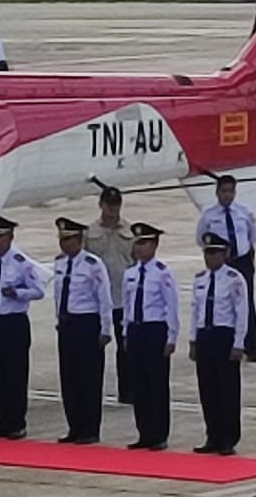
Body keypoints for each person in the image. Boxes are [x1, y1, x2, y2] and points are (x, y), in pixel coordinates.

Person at [0, 214, 44, 439]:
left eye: (1, 237)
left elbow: (38, 290)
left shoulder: (21, 263)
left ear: (10, 237)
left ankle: (16, 422)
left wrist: (18, 293)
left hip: (13, 322)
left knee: (15, 373)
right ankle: (2, 420)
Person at [52, 217, 113, 444]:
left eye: (68, 239)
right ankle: (74, 427)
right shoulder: (59, 263)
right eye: (62, 239)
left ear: (78, 239)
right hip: (67, 324)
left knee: (89, 378)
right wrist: (59, 319)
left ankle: (90, 429)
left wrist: (105, 328)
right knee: (69, 378)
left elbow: (104, 297)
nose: (64, 244)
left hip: (86, 323)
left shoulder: (92, 264)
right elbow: (58, 295)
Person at [122, 222, 179, 450]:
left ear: (154, 245)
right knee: (139, 383)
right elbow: (127, 305)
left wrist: (171, 337)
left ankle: (159, 434)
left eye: (144, 243)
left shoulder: (162, 273)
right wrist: (126, 331)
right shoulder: (131, 273)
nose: (139, 248)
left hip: (155, 330)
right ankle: (144, 432)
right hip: (136, 329)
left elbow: (171, 306)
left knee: (157, 383)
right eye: (137, 243)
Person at [191, 232, 250, 455]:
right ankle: (212, 435)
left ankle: (228, 438)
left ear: (224, 254)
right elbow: (195, 311)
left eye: (214, 253)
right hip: (205, 335)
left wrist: (238, 343)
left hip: (224, 336)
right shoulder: (200, 279)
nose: (209, 257)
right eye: (207, 253)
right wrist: (193, 340)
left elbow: (241, 313)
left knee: (227, 389)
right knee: (207, 389)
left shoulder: (234, 279)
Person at [196, 175, 256, 361]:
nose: (227, 195)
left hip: (242, 260)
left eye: (230, 191)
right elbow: (201, 238)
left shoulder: (244, 212)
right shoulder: (209, 215)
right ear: (217, 192)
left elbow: (252, 235)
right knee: (223, 301)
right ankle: (227, 341)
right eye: (224, 191)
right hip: (222, 262)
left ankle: (251, 345)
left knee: (246, 301)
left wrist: (245, 253)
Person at [85, 187, 135, 404]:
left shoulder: (131, 231)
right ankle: (94, 390)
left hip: (124, 298)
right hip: (99, 300)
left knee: (126, 348)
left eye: (116, 205)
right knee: (96, 347)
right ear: (101, 205)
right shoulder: (89, 232)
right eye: (108, 205)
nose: (112, 209)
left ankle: (127, 391)